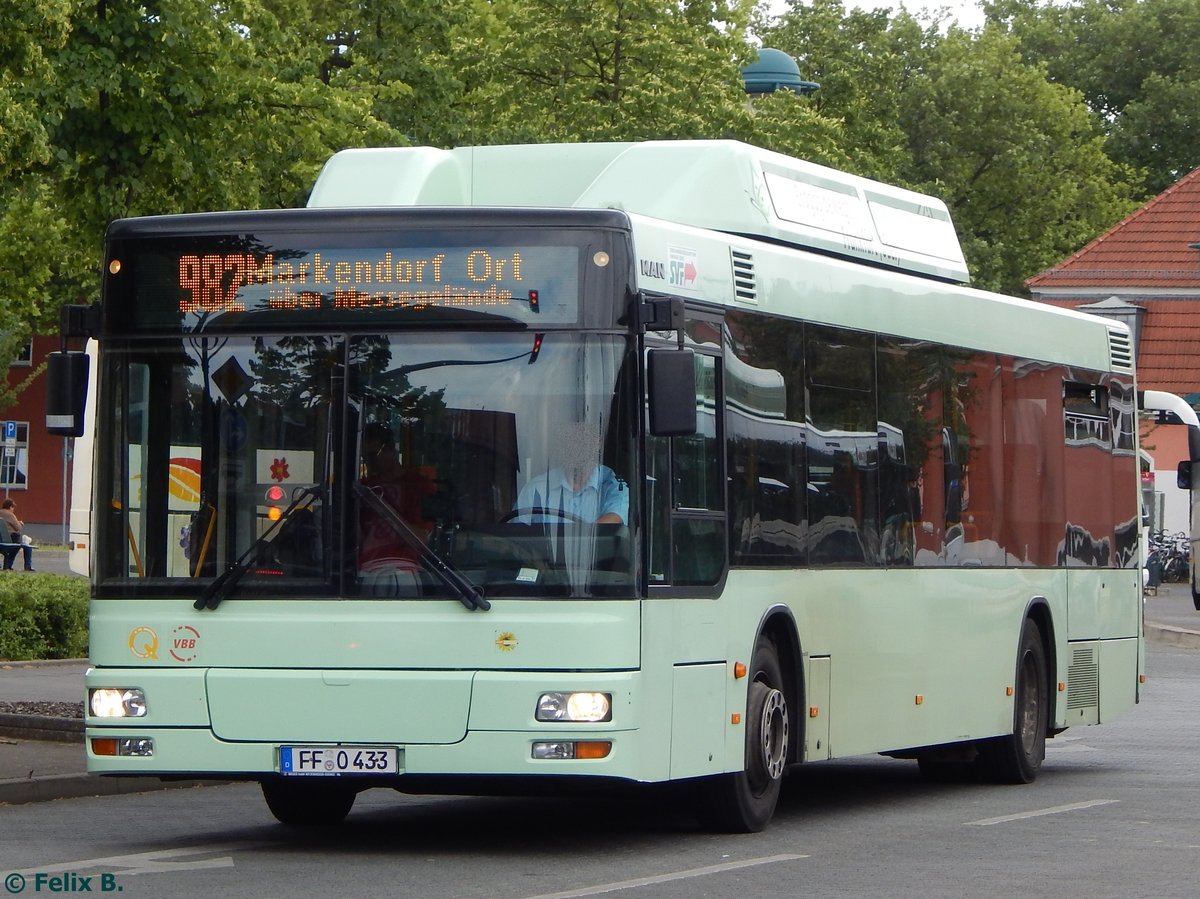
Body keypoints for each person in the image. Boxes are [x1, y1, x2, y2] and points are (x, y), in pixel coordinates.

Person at [514, 421, 628, 525]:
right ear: (560, 445)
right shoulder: (535, 489)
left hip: (596, 548)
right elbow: (516, 537)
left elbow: (614, 519)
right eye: (570, 438)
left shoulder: (613, 484)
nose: (576, 446)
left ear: (597, 443)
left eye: (583, 438)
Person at [0, 498, 34, 571]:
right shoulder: (10, 514)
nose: (13, 509)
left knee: (17, 545)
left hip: (1, 540)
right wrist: (20, 523)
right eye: (13, 507)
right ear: (10, 507)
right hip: (9, 540)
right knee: (23, 544)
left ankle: (9, 565)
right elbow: (18, 528)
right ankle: (28, 566)